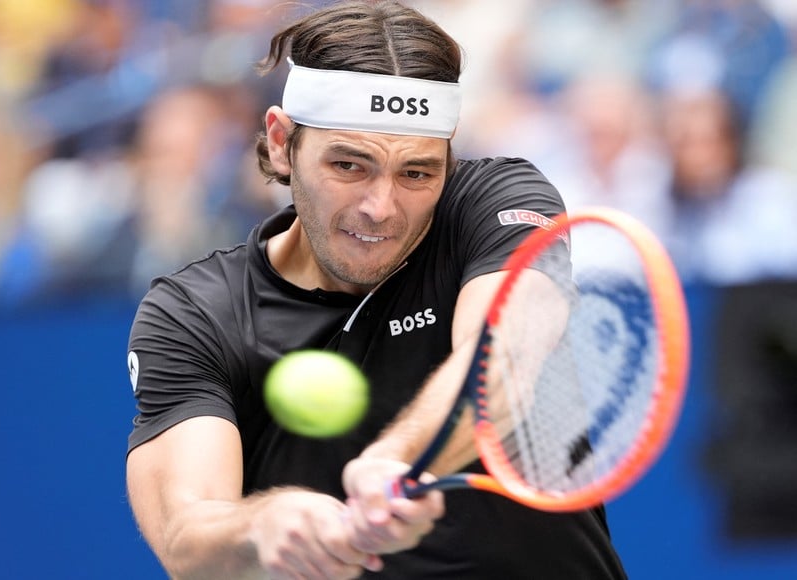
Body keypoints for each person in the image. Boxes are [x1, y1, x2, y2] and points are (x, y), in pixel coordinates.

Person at [125, 1, 628, 578]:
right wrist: (263, 525)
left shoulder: (498, 200)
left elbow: (506, 358)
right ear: (282, 141)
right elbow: (187, 537)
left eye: (417, 172)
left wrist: (394, 458)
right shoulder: (196, 313)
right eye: (349, 166)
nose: (380, 208)